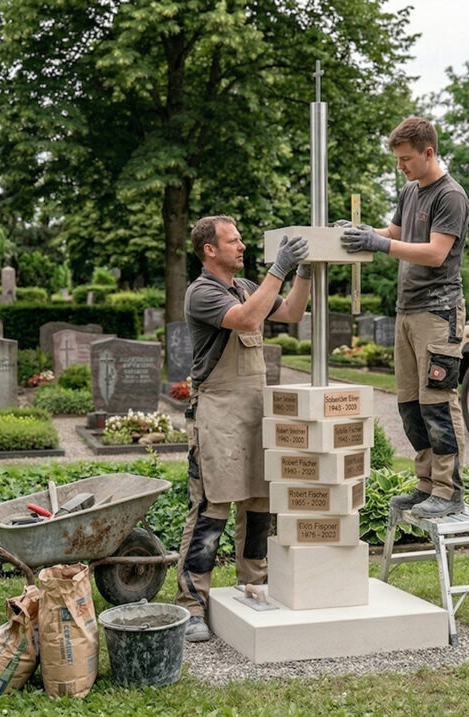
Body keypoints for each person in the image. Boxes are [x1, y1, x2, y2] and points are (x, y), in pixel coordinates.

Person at [175, 215, 311, 642]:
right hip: (217, 417)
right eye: (233, 242)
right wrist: (280, 268)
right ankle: (192, 603)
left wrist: (304, 270)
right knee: (211, 509)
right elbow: (248, 321)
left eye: (242, 241)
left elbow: (290, 311)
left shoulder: (247, 287)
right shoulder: (202, 293)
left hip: (254, 414)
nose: (243, 246)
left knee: (258, 507)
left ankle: (254, 585)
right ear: (209, 250)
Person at [341, 116, 469, 519]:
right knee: (410, 406)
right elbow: (395, 232)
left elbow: (434, 253)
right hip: (407, 310)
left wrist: (378, 244)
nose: (401, 166)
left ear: (429, 152)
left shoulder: (451, 196)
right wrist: (364, 232)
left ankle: (449, 491)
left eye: (406, 159)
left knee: (437, 403)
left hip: (438, 311)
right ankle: (426, 485)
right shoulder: (410, 191)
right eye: (398, 160)